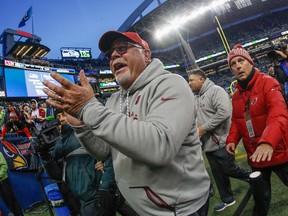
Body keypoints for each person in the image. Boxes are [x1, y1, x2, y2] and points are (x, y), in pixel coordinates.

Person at [42, 30, 210, 216]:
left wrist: (89, 107)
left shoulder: (171, 84)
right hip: (140, 207)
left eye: (122, 48)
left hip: (178, 209)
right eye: (109, 55)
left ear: (146, 55)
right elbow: (105, 151)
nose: (114, 55)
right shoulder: (115, 99)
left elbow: (160, 146)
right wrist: (81, 128)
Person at [226, 44, 288, 216]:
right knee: (260, 201)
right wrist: (232, 139)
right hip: (256, 155)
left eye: (241, 60)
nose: (238, 65)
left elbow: (278, 115)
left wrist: (268, 142)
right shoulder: (236, 95)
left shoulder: (268, 82)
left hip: (278, 151)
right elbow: (237, 121)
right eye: (233, 64)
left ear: (250, 63)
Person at [188, 69, 251, 212]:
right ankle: (227, 199)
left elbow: (224, 112)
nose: (189, 83)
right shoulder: (196, 96)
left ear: (201, 79)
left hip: (221, 140)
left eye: (191, 80)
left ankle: (252, 177)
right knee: (218, 174)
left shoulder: (216, 90)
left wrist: (204, 128)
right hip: (208, 143)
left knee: (229, 169)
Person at [41, 109, 117, 216]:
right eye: (58, 117)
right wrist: (44, 156)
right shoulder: (59, 142)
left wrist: (105, 183)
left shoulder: (87, 129)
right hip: (77, 196)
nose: (62, 119)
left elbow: (111, 151)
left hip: (95, 194)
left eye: (64, 114)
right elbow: (56, 175)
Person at [0, 151, 24, 216]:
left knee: (11, 199)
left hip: (3, 180)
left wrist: (0, 175)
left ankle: (19, 215)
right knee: (6, 201)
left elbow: (4, 166)